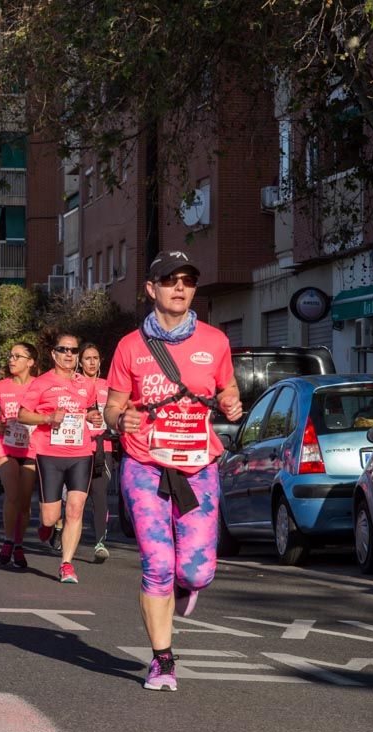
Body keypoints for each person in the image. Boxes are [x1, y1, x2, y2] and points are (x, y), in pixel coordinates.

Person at [103, 252, 242, 691]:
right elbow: (112, 407)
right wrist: (118, 419)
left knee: (196, 571)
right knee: (158, 563)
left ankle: (185, 585)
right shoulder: (129, 347)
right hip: (145, 463)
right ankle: (162, 660)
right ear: (151, 289)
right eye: (169, 280)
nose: (179, 288)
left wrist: (231, 402)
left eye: (187, 280)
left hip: (199, 466)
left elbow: (227, 386)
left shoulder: (215, 341)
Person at [18, 332, 102, 584]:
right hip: (50, 454)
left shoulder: (86, 384)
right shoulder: (41, 383)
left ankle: (66, 564)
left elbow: (91, 412)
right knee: (49, 517)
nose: (69, 354)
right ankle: (47, 526)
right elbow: (23, 415)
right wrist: (46, 418)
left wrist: (93, 418)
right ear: (54, 354)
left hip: (80, 453)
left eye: (73, 351)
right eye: (63, 350)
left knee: (75, 509)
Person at [0, 342, 40, 569]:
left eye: (18, 356)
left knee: (24, 502)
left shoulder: (40, 385)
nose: (12, 360)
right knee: (13, 495)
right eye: (10, 356)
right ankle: (7, 540)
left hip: (31, 447)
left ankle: (18, 543)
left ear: (31, 362)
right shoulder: (0, 386)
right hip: (5, 446)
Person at [79, 342, 114, 564]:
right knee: (77, 497)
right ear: (80, 362)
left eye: (96, 358)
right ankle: (60, 526)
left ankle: (100, 542)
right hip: (76, 446)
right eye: (87, 358)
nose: (92, 362)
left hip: (103, 447)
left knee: (100, 494)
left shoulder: (109, 386)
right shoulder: (73, 385)